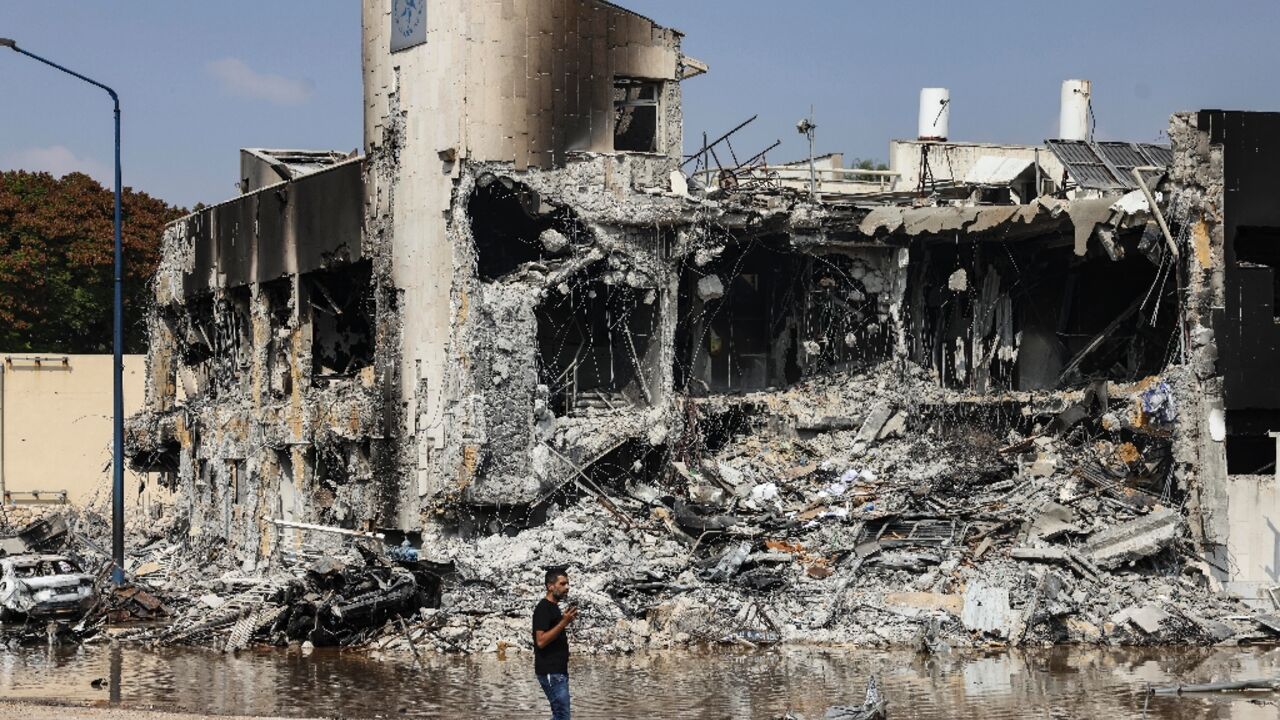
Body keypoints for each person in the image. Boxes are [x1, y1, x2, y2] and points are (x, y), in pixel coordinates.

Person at [532, 568, 578, 720]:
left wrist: (563, 619)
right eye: (563, 584)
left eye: (568, 584)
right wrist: (563, 623)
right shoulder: (543, 608)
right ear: (550, 586)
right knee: (562, 716)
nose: (567, 587)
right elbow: (541, 641)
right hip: (551, 672)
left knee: (560, 715)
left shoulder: (554, 608)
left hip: (558, 671)